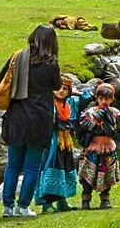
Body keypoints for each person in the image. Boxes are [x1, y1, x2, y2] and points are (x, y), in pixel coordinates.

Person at [0, 25, 62, 217]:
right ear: (52, 43)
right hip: (40, 120)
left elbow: (0, 79)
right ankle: (23, 206)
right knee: (32, 167)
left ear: (33, 37)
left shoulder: (18, 57)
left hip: (16, 117)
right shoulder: (51, 65)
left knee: (13, 165)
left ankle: (7, 207)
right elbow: (57, 85)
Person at [35, 74, 79, 213]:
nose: (61, 91)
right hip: (52, 143)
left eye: (65, 89)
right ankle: (47, 204)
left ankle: (62, 201)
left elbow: (87, 97)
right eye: (58, 87)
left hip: (65, 143)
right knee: (51, 168)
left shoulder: (67, 105)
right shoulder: (48, 103)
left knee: (65, 168)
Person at [77, 83, 120, 210]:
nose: (103, 101)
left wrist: (107, 118)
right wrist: (97, 121)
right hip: (93, 147)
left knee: (107, 172)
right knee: (88, 174)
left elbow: (118, 125)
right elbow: (85, 124)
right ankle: (85, 200)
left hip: (108, 147)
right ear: (96, 98)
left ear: (112, 99)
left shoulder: (115, 113)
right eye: (101, 98)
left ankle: (105, 199)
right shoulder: (89, 112)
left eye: (107, 99)